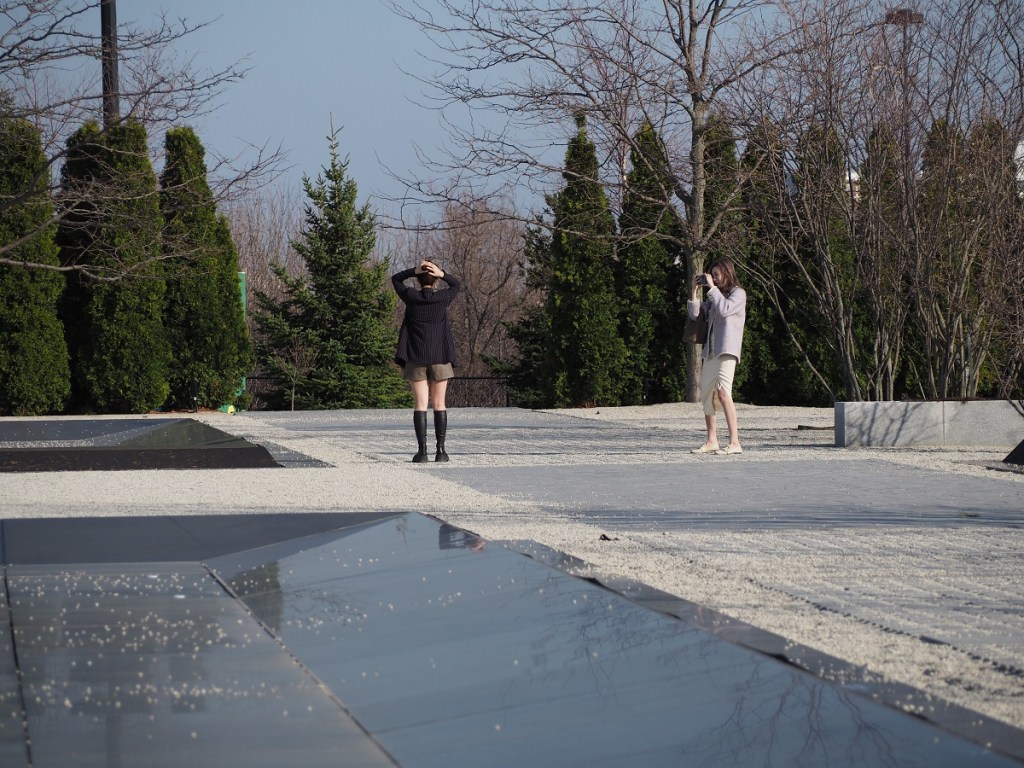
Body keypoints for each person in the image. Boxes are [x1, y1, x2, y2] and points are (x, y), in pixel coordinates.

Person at [392, 260, 462, 462]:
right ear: (436, 281)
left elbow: (396, 279)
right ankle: (441, 451)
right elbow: (456, 284)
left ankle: (422, 452)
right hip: (440, 357)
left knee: (420, 404)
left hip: (415, 358)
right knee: (439, 403)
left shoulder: (411, 297)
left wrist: (413, 271)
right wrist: (443, 274)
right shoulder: (442, 298)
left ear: (418, 278)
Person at [688, 257, 746, 455]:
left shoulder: (738, 294)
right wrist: (695, 291)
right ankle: (712, 440)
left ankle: (735, 442)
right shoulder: (715, 296)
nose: (714, 278)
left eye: (717, 275)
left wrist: (711, 289)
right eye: (712, 275)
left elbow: (725, 310)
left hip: (727, 350)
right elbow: (695, 315)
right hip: (711, 351)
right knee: (706, 396)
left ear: (727, 273)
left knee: (723, 393)